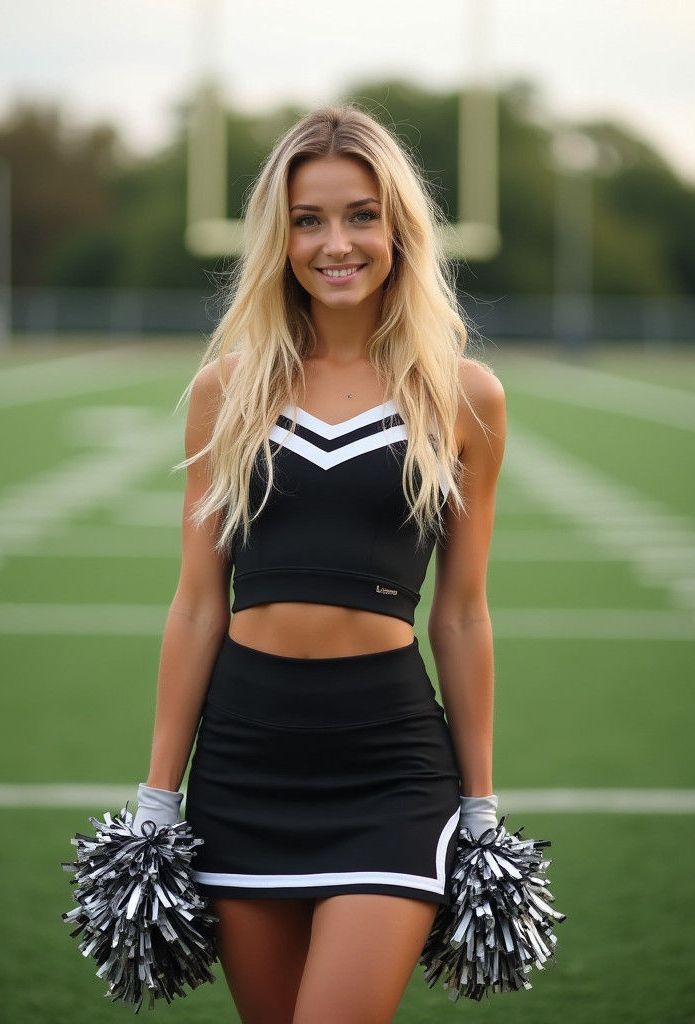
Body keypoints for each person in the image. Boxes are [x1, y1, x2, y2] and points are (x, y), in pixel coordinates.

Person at [134, 104, 506, 1024]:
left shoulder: (462, 397)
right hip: (245, 757)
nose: (336, 243)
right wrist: (157, 794)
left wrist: (482, 803)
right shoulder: (229, 390)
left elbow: (461, 611)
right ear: (281, 238)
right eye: (309, 220)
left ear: (399, 229)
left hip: (388, 766)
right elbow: (197, 602)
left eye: (361, 216)